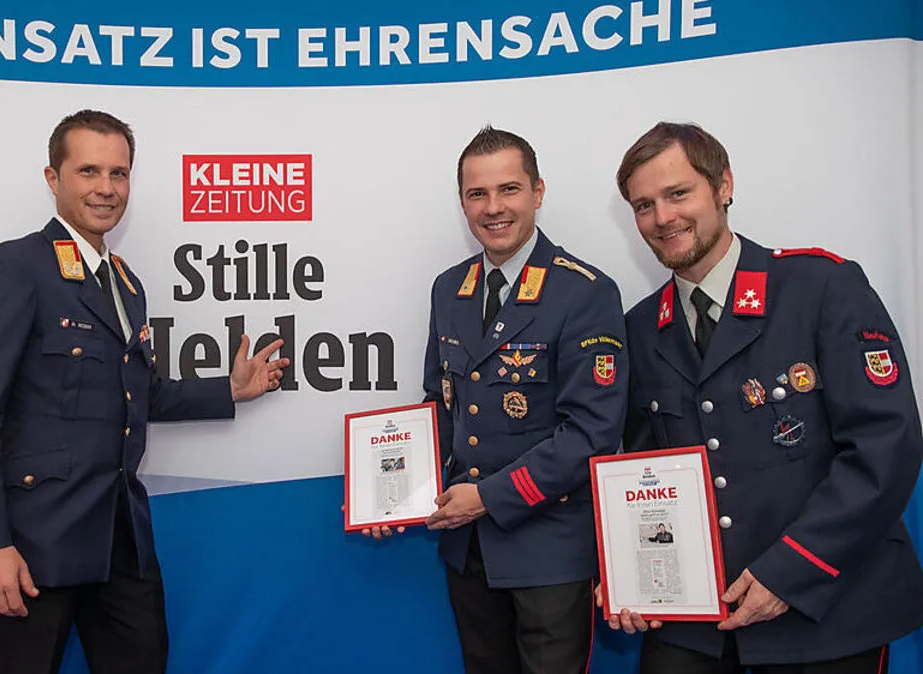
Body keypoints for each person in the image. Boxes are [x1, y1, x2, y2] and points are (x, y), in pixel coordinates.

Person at [0, 109, 289, 674]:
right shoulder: (17, 267)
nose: (106, 188)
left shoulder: (126, 285)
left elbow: (134, 395)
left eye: (118, 173)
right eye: (88, 171)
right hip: (35, 543)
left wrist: (227, 390)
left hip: (120, 538)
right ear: (53, 178)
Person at [607, 121, 923, 672]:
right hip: (697, 624)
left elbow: (886, 446)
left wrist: (791, 570)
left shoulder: (820, 287)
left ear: (723, 186)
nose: (662, 218)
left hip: (823, 607)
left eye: (678, 194)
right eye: (644, 206)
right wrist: (633, 575)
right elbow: (643, 470)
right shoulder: (639, 328)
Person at [367, 125, 628, 674]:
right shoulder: (449, 288)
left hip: (550, 550)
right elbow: (440, 404)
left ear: (538, 191)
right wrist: (389, 494)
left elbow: (591, 433)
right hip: (469, 550)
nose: (493, 208)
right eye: (477, 193)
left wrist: (488, 496)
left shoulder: (584, 292)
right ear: (462, 202)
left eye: (509, 189)